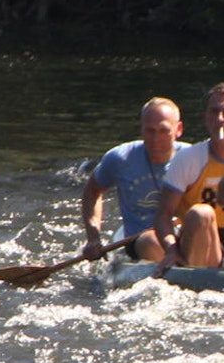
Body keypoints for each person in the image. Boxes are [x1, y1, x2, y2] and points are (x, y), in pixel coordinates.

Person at [154, 83, 224, 269]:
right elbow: (164, 214)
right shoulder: (188, 159)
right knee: (201, 213)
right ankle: (198, 277)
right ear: (205, 118)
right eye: (214, 112)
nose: (220, 119)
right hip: (204, 241)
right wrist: (171, 249)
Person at [80, 96, 187, 262]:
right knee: (151, 240)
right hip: (139, 241)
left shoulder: (192, 157)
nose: (156, 139)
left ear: (178, 129)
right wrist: (93, 237)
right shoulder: (120, 158)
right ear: (141, 130)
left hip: (181, 238)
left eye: (163, 130)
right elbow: (92, 191)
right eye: (150, 131)